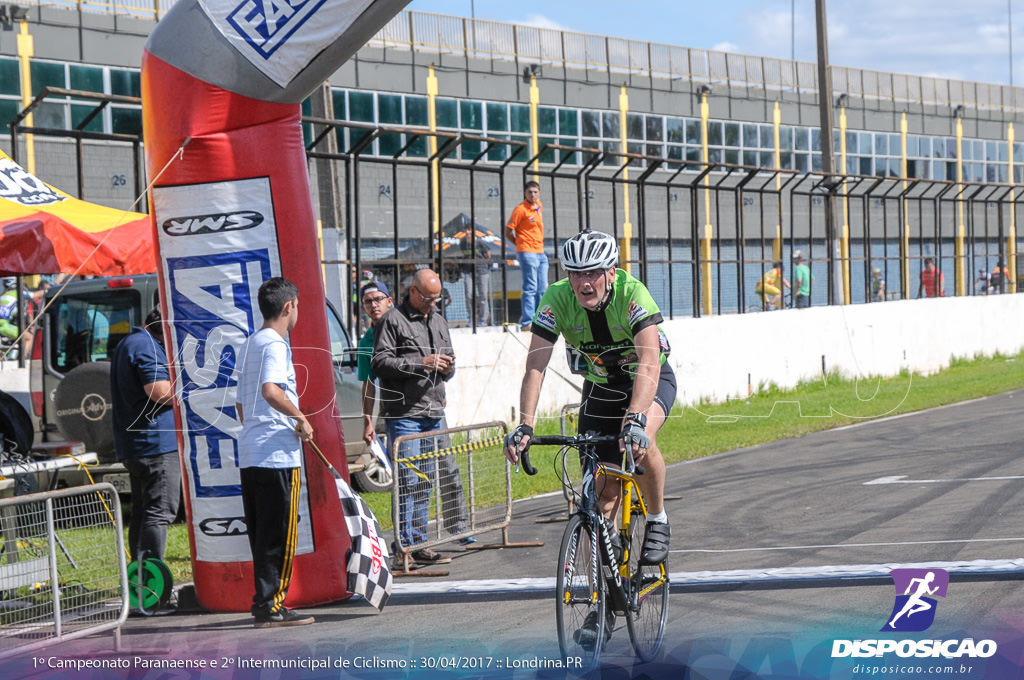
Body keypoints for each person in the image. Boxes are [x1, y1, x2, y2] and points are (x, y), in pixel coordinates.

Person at [503, 229, 675, 646]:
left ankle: (656, 517)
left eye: (593, 273)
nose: (584, 282)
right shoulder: (557, 299)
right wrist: (524, 424)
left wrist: (635, 418)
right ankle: (604, 604)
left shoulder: (633, 295)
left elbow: (649, 365)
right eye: (576, 272)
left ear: (610, 273)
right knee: (600, 499)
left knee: (638, 442)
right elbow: (535, 368)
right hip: (599, 389)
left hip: (646, 382)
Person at [372, 268, 471, 564]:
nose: (432, 304)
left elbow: (450, 363)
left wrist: (447, 367)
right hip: (405, 414)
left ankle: (418, 543)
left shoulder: (439, 320)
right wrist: (421, 363)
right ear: (412, 291)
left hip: (434, 410)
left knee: (426, 480)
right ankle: (403, 546)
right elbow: (380, 363)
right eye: (428, 299)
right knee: (408, 481)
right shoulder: (392, 320)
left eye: (436, 299)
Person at [234, 277, 315, 628]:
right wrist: (299, 416)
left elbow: (241, 403)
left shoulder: (251, 343)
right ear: (288, 307)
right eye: (296, 305)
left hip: (252, 450)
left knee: (263, 533)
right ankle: (272, 604)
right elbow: (270, 390)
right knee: (280, 532)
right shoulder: (275, 345)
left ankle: (264, 602)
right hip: (277, 453)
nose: (297, 311)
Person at [110, 305, 180, 566]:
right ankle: (153, 587)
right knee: (159, 513)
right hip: (156, 446)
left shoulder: (130, 342)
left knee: (143, 513)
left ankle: (140, 582)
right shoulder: (146, 345)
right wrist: (192, 390)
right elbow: (159, 390)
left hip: (137, 444)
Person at [506, 180, 547, 330]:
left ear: (539, 193)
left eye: (535, 192)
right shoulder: (520, 209)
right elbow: (508, 230)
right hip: (527, 250)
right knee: (531, 287)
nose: (533, 194)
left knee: (542, 288)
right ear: (525, 193)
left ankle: (541, 320)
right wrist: (519, 243)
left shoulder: (539, 206)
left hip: (541, 251)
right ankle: (527, 322)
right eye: (530, 192)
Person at [356, 280, 393, 445]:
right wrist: (368, 421)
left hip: (425, 405)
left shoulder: (407, 327)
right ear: (363, 308)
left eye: (378, 299)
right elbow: (368, 384)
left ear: (389, 301)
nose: (374, 305)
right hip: (395, 413)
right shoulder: (365, 343)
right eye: (368, 302)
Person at [461, 236, 492, 327]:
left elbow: (488, 255)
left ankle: (483, 319)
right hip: (468, 271)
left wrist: (486, 266)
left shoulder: (481, 243)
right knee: (469, 295)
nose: (468, 233)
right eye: (466, 230)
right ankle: (471, 318)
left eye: (470, 230)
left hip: (482, 271)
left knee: (483, 296)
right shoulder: (463, 243)